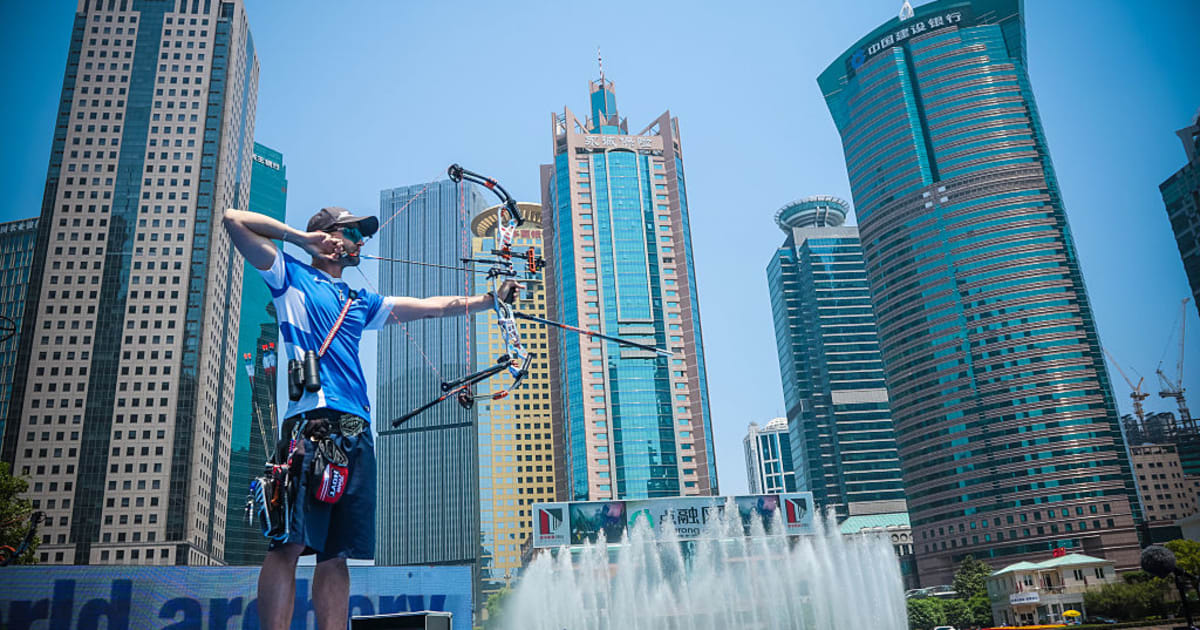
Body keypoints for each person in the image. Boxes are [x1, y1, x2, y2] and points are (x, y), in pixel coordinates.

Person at [222, 205, 520, 630]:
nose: (362, 241)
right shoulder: (289, 275)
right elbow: (233, 219)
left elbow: (431, 307)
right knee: (288, 543)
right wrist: (303, 240)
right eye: (354, 232)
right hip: (313, 424)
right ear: (328, 236)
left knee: (337, 553)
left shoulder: (360, 301)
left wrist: (490, 301)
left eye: (364, 234)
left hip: (355, 432)